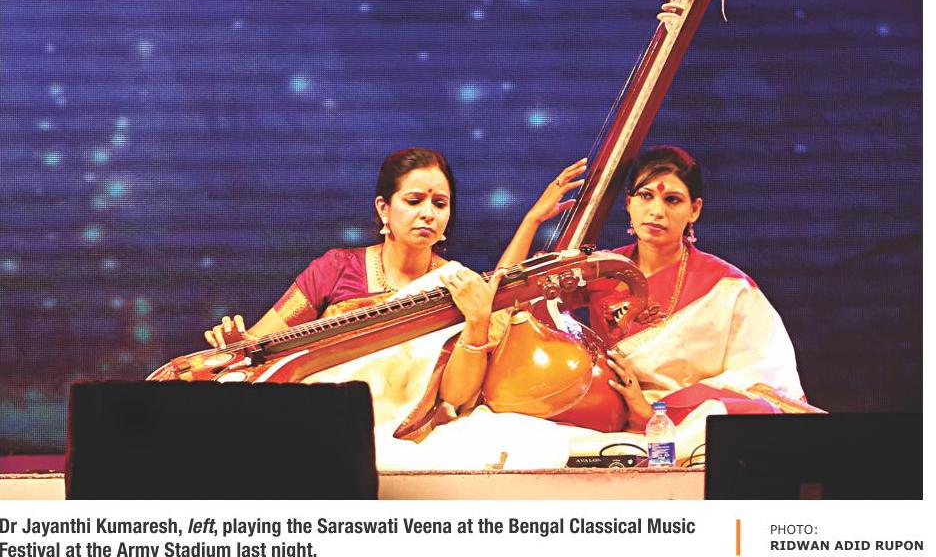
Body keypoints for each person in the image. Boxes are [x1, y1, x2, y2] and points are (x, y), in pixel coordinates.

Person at [497, 145, 816, 458]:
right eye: (646, 196)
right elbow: (504, 300)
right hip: (607, 416)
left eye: (672, 200)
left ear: (695, 209)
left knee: (722, 418)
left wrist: (652, 411)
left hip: (684, 422)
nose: (656, 211)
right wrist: (533, 220)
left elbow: (760, 375)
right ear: (629, 203)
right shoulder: (601, 269)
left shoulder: (727, 286)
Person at [203, 146, 504, 425]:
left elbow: (456, 398)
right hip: (326, 420)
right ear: (384, 208)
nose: (428, 214)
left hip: (412, 430)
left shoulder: (459, 285)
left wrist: (477, 321)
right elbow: (259, 342)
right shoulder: (335, 269)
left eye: (440, 204)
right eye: (414, 201)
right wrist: (236, 344)